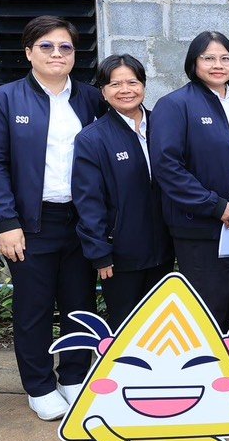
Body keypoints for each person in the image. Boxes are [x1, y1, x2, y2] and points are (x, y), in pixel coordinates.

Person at [0, 15, 103, 423]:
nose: (56, 54)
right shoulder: (6, 99)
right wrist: (6, 222)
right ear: (29, 52)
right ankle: (40, 385)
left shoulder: (89, 97)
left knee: (79, 303)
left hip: (80, 218)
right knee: (33, 306)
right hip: (30, 222)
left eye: (65, 47)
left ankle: (73, 376)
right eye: (46, 46)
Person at [150, 31, 229, 331]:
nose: (218, 65)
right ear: (194, 62)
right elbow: (167, 167)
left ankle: (228, 369)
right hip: (200, 226)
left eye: (226, 58)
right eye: (209, 58)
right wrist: (214, 205)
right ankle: (204, 370)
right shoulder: (175, 105)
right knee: (205, 306)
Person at [71, 54, 172, 330]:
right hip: (121, 256)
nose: (125, 90)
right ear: (102, 91)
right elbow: (88, 201)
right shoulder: (93, 138)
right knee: (127, 329)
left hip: (164, 250)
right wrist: (100, 252)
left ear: (143, 85)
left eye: (132, 82)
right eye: (115, 84)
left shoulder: (164, 126)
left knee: (161, 327)